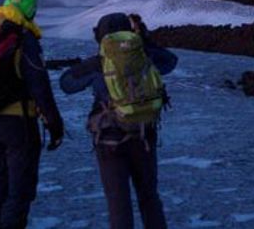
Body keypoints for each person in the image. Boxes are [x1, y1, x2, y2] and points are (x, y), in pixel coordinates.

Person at [60, 12, 177, 229]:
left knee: (118, 204)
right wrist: (144, 41)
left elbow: (66, 83)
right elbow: (170, 61)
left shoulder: (98, 63)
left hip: (109, 140)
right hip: (143, 135)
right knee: (149, 197)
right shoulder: (145, 56)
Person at [0, 0, 64, 229]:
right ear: (30, 10)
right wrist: (55, 126)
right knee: (19, 191)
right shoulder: (23, 39)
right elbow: (40, 87)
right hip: (18, 125)